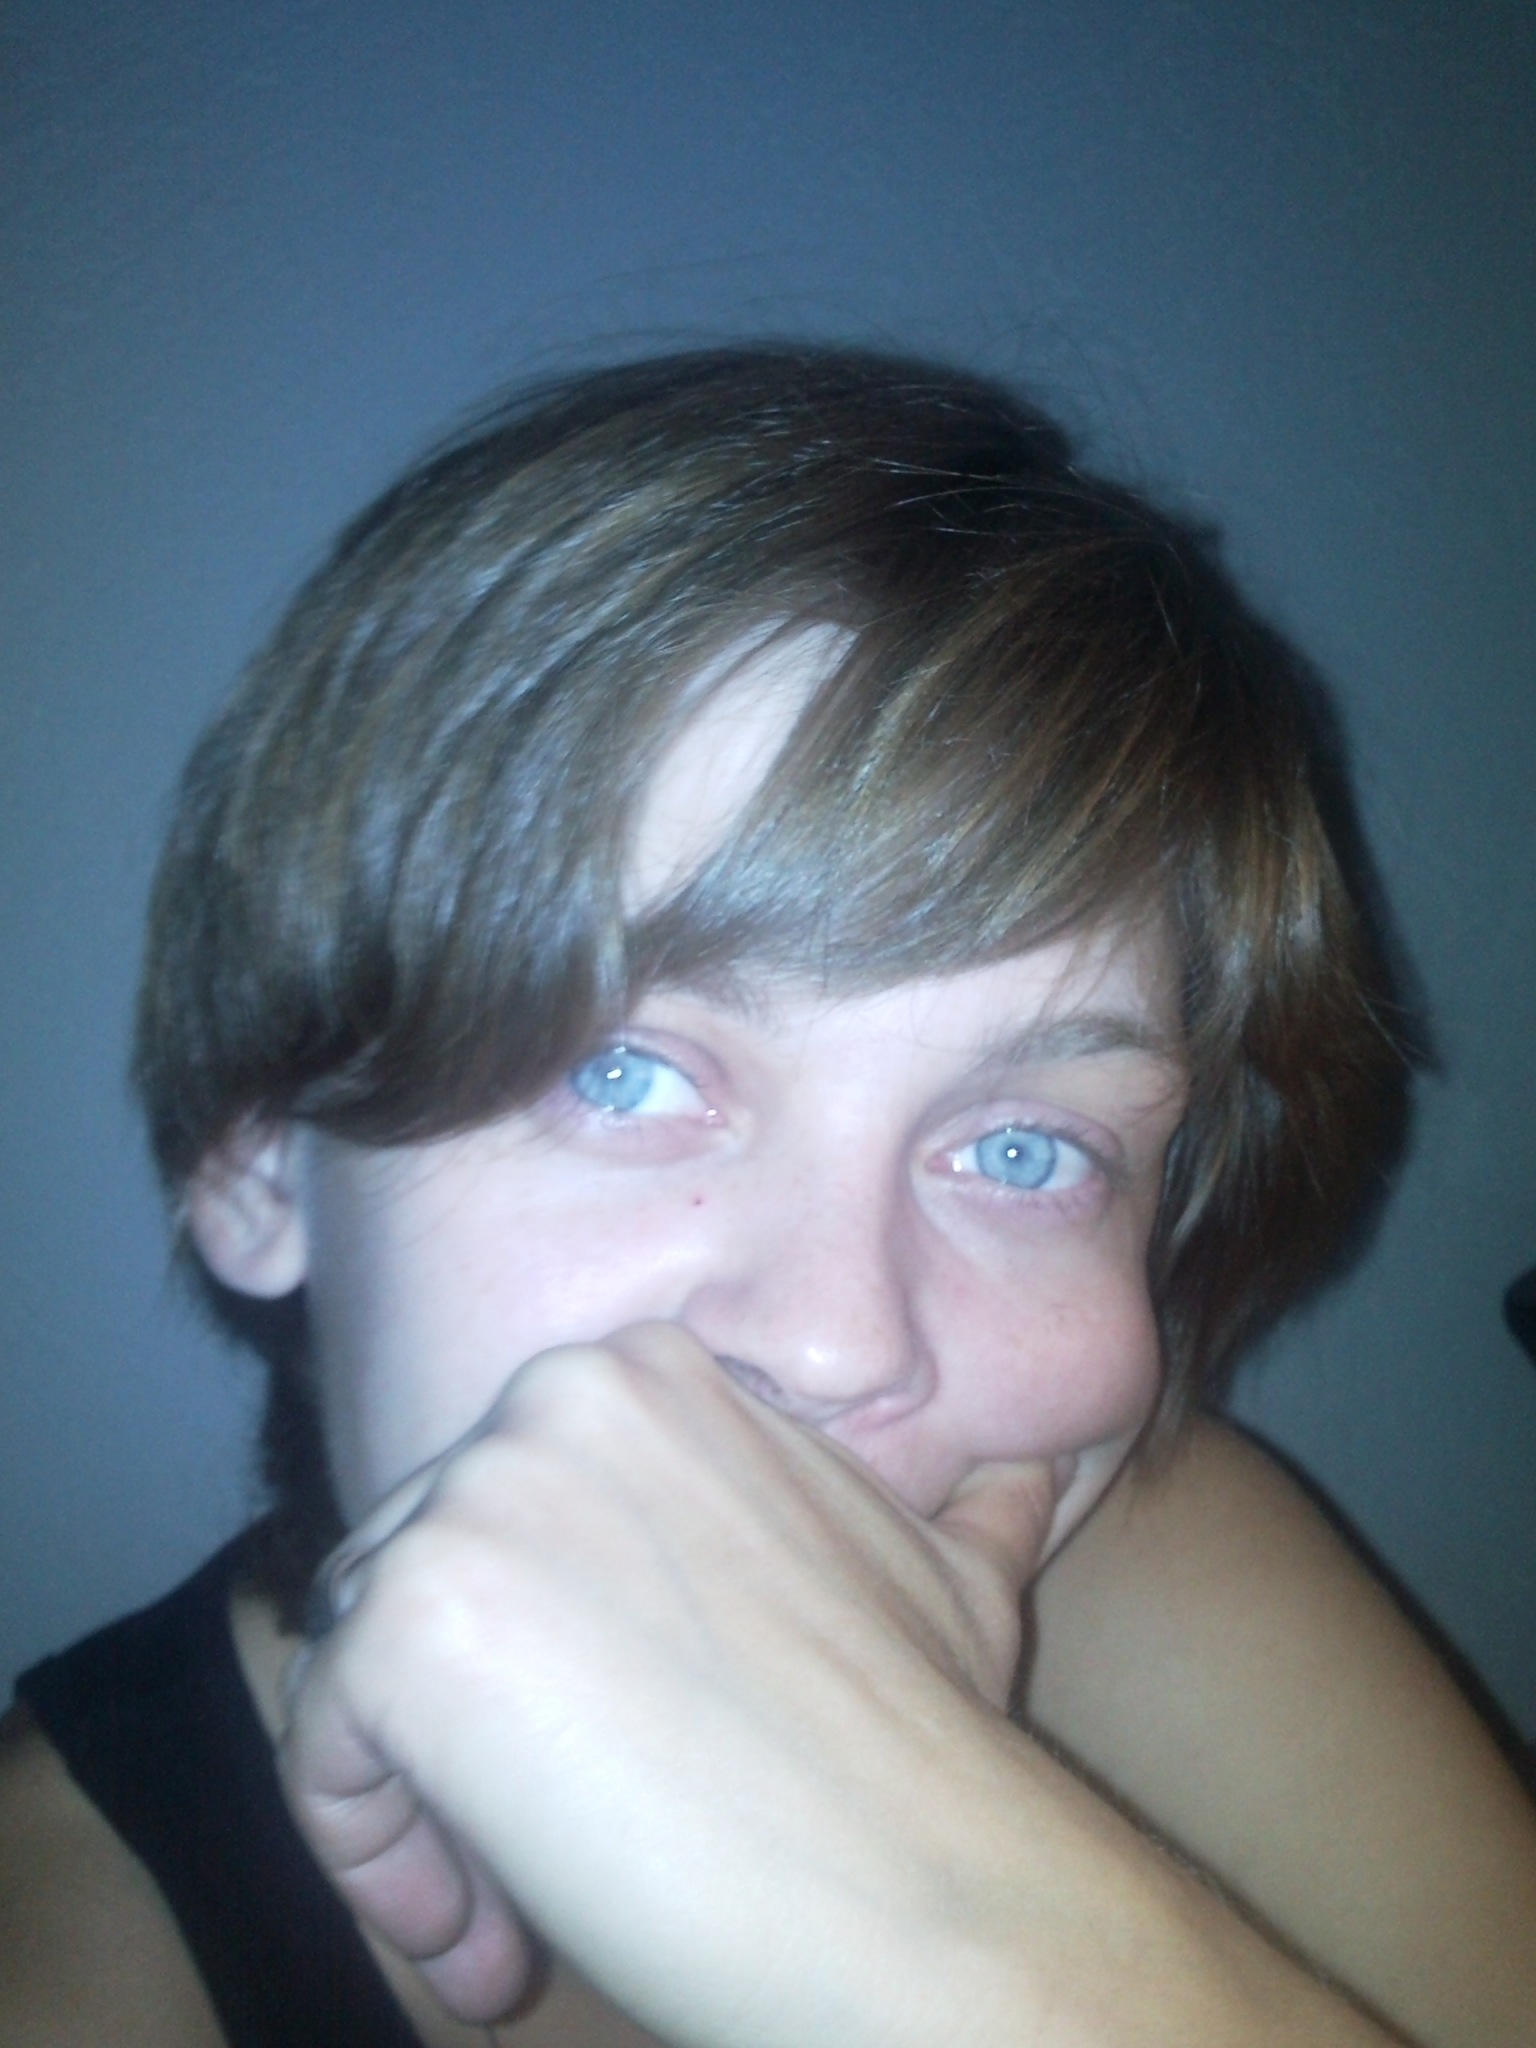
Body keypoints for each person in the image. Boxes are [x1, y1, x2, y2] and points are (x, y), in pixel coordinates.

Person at [2, 345, 1532, 2048]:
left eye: (1022, 1151)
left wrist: (987, 1956)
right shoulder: (68, 1949)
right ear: (258, 1156)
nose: (837, 1346)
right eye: (624, 1076)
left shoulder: (1153, 1565)